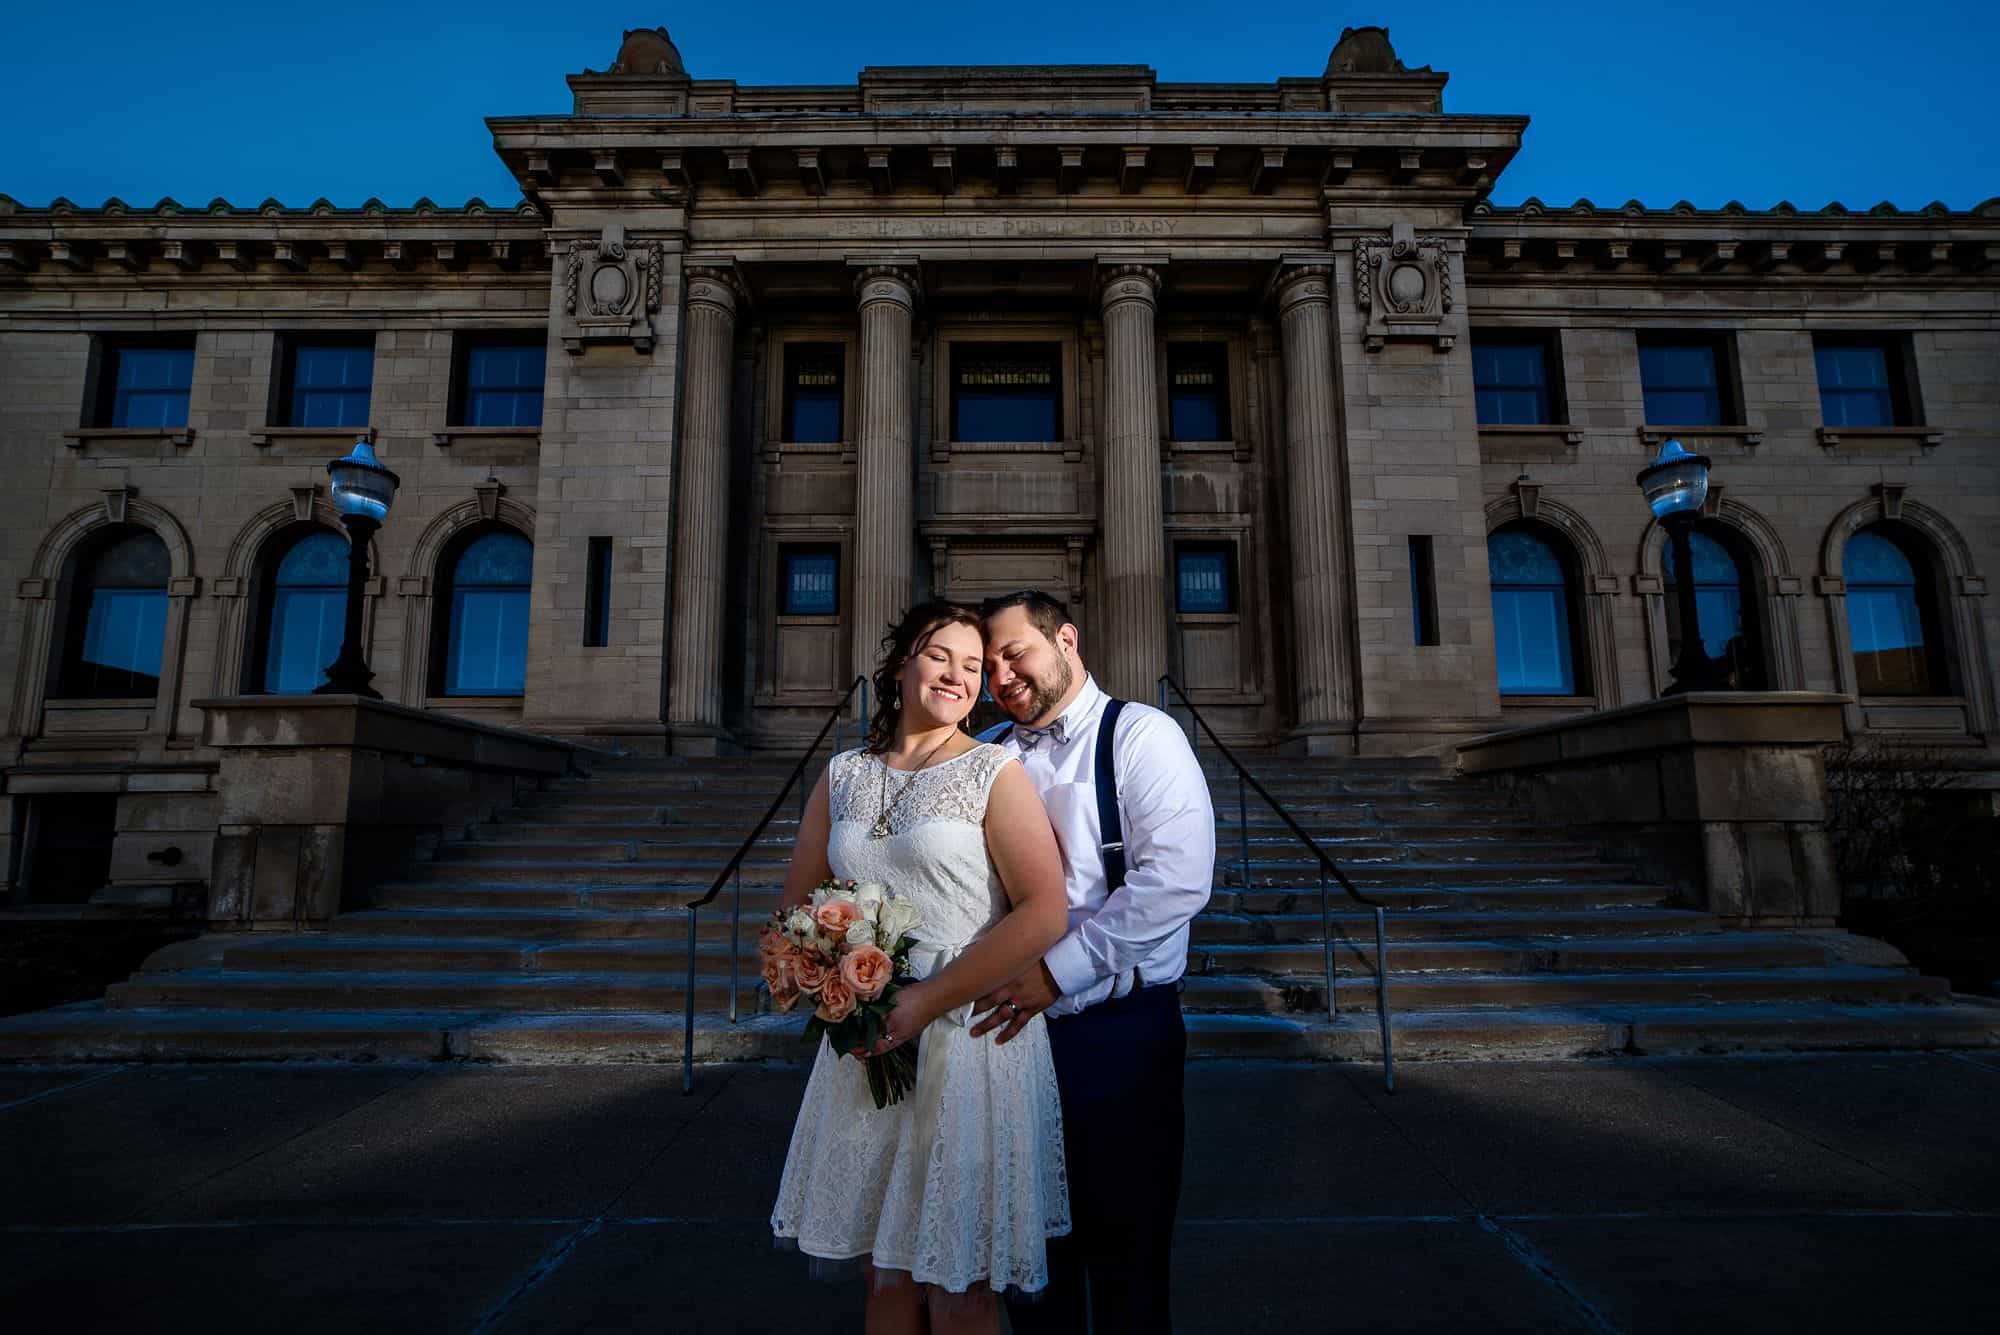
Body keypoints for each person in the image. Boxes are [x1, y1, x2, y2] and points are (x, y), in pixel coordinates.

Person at [771, 600, 1073, 1335]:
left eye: (974, 666)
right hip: (867, 1041)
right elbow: (795, 910)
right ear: (904, 660)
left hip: (966, 1037)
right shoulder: (842, 774)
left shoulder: (992, 769)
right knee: (884, 1272)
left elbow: (1044, 910)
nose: (959, 675)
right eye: (942, 655)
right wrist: (811, 972)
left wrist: (924, 1000)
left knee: (959, 1283)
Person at [973, 589, 1216, 1335]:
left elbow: (1176, 879)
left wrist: (1052, 974)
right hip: (1013, 1047)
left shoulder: (1142, 734)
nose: (1002, 676)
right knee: (1030, 1272)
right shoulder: (985, 753)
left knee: (1128, 1270)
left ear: (1067, 638)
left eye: (1016, 652)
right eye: (988, 666)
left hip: (1120, 1038)